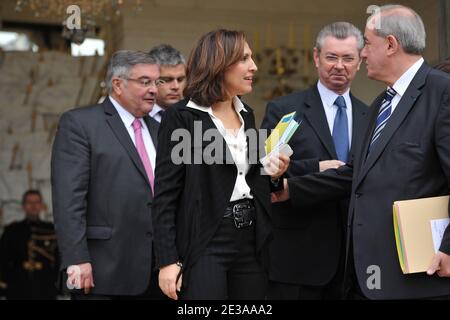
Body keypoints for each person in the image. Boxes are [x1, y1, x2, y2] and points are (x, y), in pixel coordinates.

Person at [273, 4, 450, 299]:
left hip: (423, 276)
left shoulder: (442, 93)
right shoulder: (380, 104)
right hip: (367, 276)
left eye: (367, 43)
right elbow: (358, 175)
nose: (363, 53)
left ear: (391, 44)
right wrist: (290, 189)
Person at [152, 29, 290, 300]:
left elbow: (246, 178)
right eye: (244, 59)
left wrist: (273, 173)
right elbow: (165, 195)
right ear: (219, 64)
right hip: (206, 240)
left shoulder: (247, 114)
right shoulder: (181, 117)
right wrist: (167, 260)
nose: (254, 66)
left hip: (250, 239)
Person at [261, 22, 368, 300]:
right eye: (332, 57)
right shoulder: (285, 110)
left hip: (354, 261)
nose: (339, 66)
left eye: (348, 58)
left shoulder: (371, 117)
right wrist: (316, 168)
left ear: (360, 61)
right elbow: (263, 170)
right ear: (316, 57)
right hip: (298, 258)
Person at [51, 50, 164, 299]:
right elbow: (69, 200)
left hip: (159, 274)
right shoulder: (80, 124)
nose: (155, 89)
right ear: (118, 85)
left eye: (157, 81)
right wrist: (76, 259)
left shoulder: (161, 130)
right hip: (102, 272)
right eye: (145, 81)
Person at [0, 190, 59, 300]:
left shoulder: (51, 230)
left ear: (41, 205)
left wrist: (57, 284)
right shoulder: (12, 231)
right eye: (29, 202)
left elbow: (59, 258)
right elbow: (3, 259)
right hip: (18, 288)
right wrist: (6, 284)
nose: (33, 206)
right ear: (23, 206)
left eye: (37, 202)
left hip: (45, 287)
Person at [148, 44, 186, 122]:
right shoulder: (137, 116)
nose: (176, 86)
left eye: (180, 79)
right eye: (167, 80)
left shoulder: (195, 116)